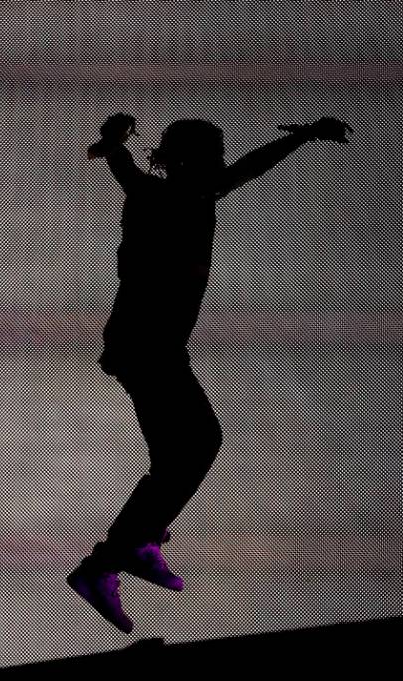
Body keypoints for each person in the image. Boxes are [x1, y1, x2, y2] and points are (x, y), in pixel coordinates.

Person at [68, 112, 353, 633]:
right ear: (184, 160)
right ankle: (127, 548)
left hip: (153, 349)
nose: (219, 164)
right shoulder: (169, 196)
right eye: (209, 155)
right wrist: (112, 142)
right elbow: (146, 172)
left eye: (218, 155)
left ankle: (114, 558)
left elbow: (235, 169)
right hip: (146, 347)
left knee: (179, 455)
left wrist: (303, 135)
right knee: (199, 442)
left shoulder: (183, 193)